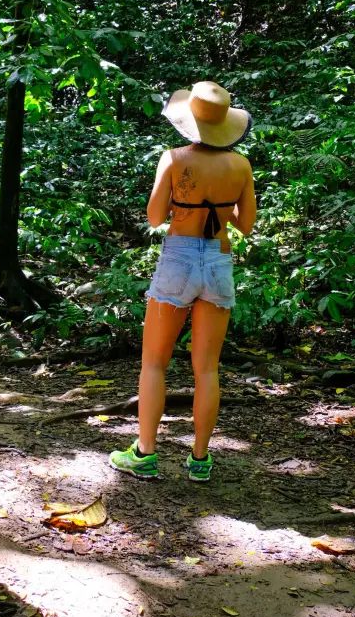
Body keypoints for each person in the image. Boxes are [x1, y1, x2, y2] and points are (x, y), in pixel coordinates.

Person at [109, 81, 256, 483]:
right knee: (207, 369)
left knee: (154, 363)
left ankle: (145, 454)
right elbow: (245, 224)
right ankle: (200, 459)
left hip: (178, 257)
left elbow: (155, 218)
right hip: (218, 260)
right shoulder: (241, 165)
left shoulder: (173, 158)